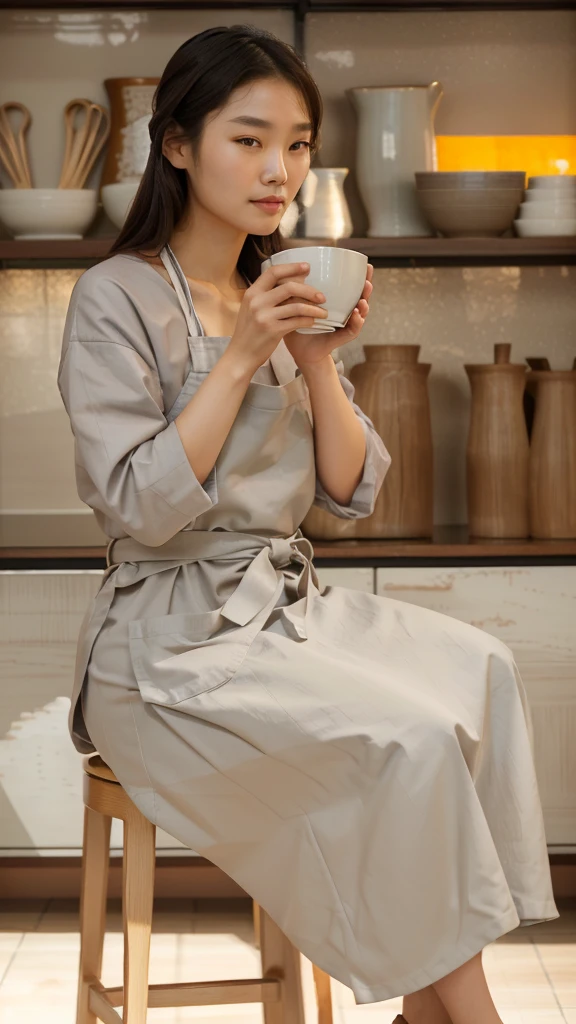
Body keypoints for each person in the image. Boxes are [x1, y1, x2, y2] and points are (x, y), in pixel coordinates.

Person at [57, 24, 558, 1023]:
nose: (279, 168)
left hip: (284, 605)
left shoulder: (274, 285)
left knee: (484, 676)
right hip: (165, 646)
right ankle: (469, 1011)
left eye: (295, 143)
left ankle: (431, 1005)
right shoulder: (115, 298)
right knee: (410, 738)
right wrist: (242, 355)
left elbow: (346, 491)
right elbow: (139, 506)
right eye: (249, 139)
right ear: (179, 144)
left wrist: (321, 356)